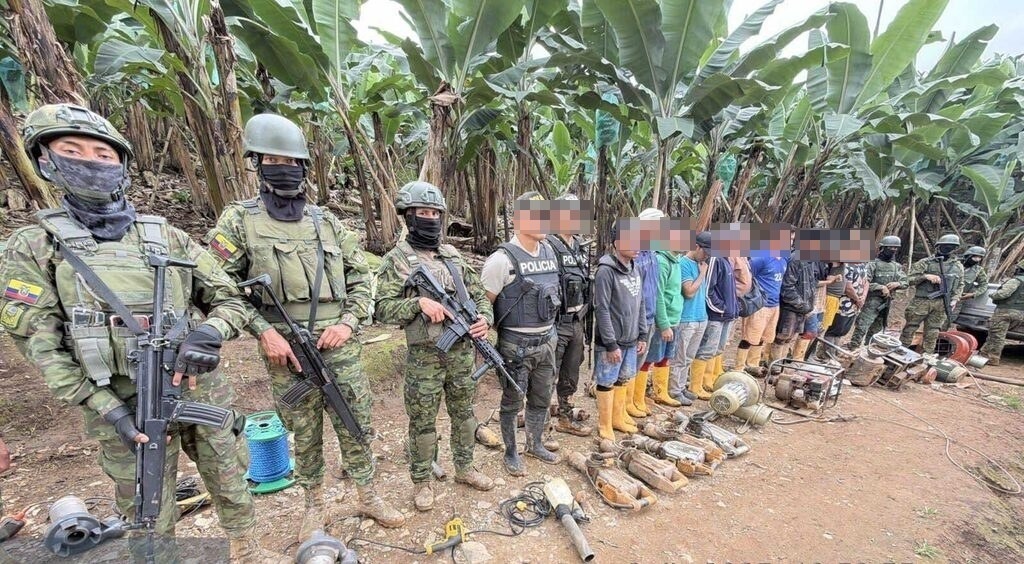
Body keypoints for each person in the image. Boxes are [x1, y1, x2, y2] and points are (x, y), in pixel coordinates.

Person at [0, 103, 280, 560]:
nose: (90, 162)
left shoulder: (165, 237)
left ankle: (246, 550)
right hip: (121, 400)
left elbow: (228, 297)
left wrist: (210, 332)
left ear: (122, 165)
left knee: (231, 477)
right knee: (147, 505)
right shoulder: (35, 246)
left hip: (197, 387)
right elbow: (41, 345)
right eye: (72, 150)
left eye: (103, 155)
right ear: (45, 162)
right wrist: (108, 409)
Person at [206, 113, 403, 537]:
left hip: (339, 343)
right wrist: (264, 331)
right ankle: (313, 503)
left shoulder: (326, 221)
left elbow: (361, 277)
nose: (285, 169)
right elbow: (219, 288)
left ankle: (368, 494)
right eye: (274, 160)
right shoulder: (239, 220)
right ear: (257, 164)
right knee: (304, 428)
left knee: (355, 419)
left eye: (292, 161)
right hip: (286, 346)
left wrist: (349, 323)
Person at [374, 181, 494, 512]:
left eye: (435, 213)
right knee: (423, 423)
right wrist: (418, 305)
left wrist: (485, 318)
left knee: (465, 415)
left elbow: (479, 294)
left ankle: (465, 467)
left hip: (460, 355)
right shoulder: (395, 260)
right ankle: (422, 481)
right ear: (408, 217)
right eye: (422, 213)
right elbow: (380, 308)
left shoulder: (453, 256)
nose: (430, 218)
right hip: (424, 359)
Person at [481, 192, 561, 476]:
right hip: (516, 346)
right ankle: (512, 451)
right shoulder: (501, 260)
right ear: (517, 220)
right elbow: (484, 305)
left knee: (541, 397)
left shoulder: (550, 252)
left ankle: (536, 443)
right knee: (513, 401)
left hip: (546, 342)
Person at [592, 221, 647, 439]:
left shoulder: (635, 269)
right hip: (612, 341)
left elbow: (640, 303)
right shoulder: (605, 271)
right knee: (606, 380)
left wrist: (642, 333)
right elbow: (602, 308)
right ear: (617, 243)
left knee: (623, 378)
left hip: (631, 338)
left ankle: (618, 417)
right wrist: (610, 343)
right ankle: (604, 424)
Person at [545, 194, 593, 437]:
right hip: (556, 320)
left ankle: (565, 414)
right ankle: (541, 423)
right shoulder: (548, 245)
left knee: (572, 369)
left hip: (577, 319)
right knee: (547, 372)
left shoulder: (580, 245)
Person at [900, 234, 965, 353]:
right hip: (922, 301)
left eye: (951, 247)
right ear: (938, 247)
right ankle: (900, 352)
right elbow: (908, 279)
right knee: (910, 328)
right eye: (945, 246)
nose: (947, 249)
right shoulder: (925, 263)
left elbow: (960, 285)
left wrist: (955, 299)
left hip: (942, 303)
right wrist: (925, 276)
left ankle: (926, 356)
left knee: (933, 332)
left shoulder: (957, 266)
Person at [694, 232, 741, 393]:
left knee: (719, 348)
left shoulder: (727, 260)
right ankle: (697, 384)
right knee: (707, 349)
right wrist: (720, 308)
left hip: (726, 314)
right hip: (716, 315)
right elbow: (708, 289)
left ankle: (711, 377)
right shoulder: (716, 259)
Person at [650, 218, 689, 406]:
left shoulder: (677, 261)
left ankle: (661, 392)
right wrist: (664, 324)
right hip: (662, 321)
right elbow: (658, 295)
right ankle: (639, 397)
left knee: (666, 357)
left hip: (675, 317)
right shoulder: (661, 260)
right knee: (649, 358)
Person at [633, 209, 667, 409]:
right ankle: (624, 405)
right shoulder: (636, 254)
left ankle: (632, 400)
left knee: (640, 362)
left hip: (650, 316)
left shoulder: (652, 253)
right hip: (637, 318)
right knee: (629, 365)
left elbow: (655, 289)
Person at [770, 242, 828, 362]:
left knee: (789, 338)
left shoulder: (810, 261)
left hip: (801, 308)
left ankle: (781, 365)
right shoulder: (796, 259)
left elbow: (811, 285)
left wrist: (807, 306)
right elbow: (787, 287)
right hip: (791, 307)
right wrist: (802, 304)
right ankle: (774, 365)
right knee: (782, 337)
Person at [737, 241, 789, 373]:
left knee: (763, 337)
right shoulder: (761, 258)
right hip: (760, 305)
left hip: (774, 304)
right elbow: (747, 276)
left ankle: (753, 364)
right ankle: (739, 367)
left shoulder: (783, 260)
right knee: (749, 337)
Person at [849, 236, 907, 348]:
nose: (893, 250)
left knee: (877, 328)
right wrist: (880, 287)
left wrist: (898, 284)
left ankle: (869, 348)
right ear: (882, 248)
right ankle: (854, 346)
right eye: (890, 248)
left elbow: (905, 281)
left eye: (895, 248)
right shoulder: (872, 264)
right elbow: (864, 283)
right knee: (862, 326)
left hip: (886, 302)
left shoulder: (896, 267)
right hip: (872, 301)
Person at [672, 234, 710, 400]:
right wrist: (702, 275)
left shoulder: (701, 263)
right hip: (687, 317)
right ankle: (674, 390)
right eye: (705, 251)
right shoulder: (684, 264)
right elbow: (688, 291)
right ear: (696, 246)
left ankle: (681, 387)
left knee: (689, 357)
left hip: (700, 316)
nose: (707, 255)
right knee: (679, 358)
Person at [818, 261, 869, 358]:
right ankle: (826, 354)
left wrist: (863, 297)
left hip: (854, 305)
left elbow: (866, 281)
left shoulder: (863, 265)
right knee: (835, 329)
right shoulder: (846, 265)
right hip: (843, 303)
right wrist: (857, 299)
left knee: (843, 330)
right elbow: (847, 287)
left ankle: (835, 352)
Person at [978, 260, 1024, 366]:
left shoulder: (1016, 281)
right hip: (1020, 314)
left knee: (996, 335)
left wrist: (993, 295)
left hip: (1005, 312)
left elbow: (1003, 294)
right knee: (998, 335)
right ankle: (984, 354)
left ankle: (992, 358)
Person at [950, 246, 989, 327]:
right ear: (968, 255)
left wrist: (973, 294)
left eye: (980, 258)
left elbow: (984, 285)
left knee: (948, 320)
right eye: (975, 257)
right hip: (941, 297)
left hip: (957, 300)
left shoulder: (978, 270)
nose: (977, 260)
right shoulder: (953, 264)